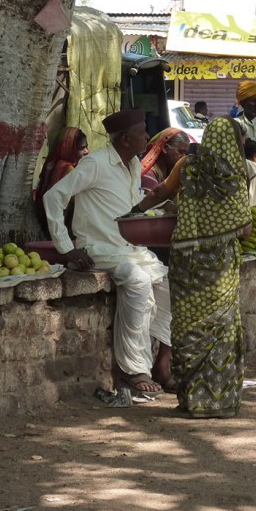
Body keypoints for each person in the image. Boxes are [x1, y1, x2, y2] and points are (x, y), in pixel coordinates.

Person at [43, 108, 173, 395]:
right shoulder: (95, 163)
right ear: (125, 139)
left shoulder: (134, 165)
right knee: (137, 280)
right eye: (142, 132)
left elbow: (131, 203)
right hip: (98, 249)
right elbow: (53, 197)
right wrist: (66, 249)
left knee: (167, 284)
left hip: (129, 249)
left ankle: (162, 363)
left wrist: (163, 206)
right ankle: (133, 370)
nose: (148, 137)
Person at [168, 117, 253, 418]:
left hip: (186, 264)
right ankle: (217, 401)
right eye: (240, 139)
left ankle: (191, 400)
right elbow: (244, 229)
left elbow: (168, 195)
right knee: (219, 328)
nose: (243, 145)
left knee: (188, 326)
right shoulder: (233, 177)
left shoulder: (188, 167)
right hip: (219, 265)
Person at [35, 127, 89, 235]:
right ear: (68, 148)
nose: (86, 151)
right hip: (64, 228)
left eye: (86, 146)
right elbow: (80, 201)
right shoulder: (68, 169)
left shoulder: (52, 165)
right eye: (81, 148)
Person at [140, 128, 191, 192]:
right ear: (165, 148)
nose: (183, 157)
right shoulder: (149, 176)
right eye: (180, 152)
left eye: (185, 153)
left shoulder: (168, 174)